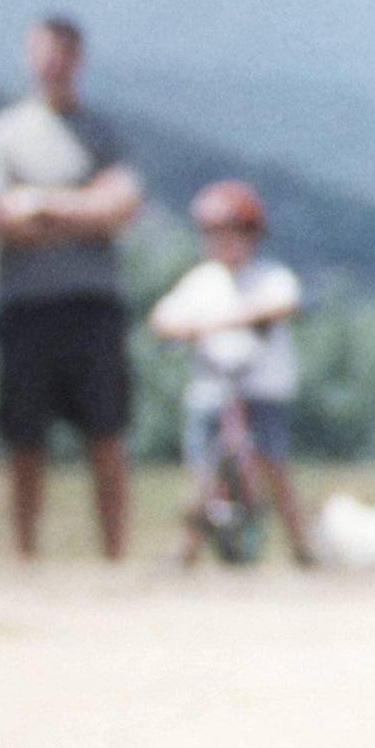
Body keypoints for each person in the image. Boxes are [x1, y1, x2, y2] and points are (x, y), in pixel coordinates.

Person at [0, 17, 143, 559]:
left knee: (106, 431)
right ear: (28, 56)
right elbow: (0, 218)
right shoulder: (2, 132)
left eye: (63, 53)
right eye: (44, 52)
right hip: (25, 306)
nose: (53, 63)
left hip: (94, 305)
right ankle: (25, 557)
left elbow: (119, 208)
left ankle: (114, 555)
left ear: (79, 59)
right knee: (23, 438)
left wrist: (42, 204)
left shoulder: (102, 131)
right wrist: (82, 206)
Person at [148, 179, 312, 566]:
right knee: (200, 470)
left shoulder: (269, 275)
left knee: (273, 461)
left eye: (233, 233)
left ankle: (302, 547)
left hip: (263, 386)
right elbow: (163, 318)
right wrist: (216, 321)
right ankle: (184, 549)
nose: (223, 242)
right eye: (214, 234)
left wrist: (210, 322)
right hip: (212, 387)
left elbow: (284, 300)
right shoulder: (201, 281)